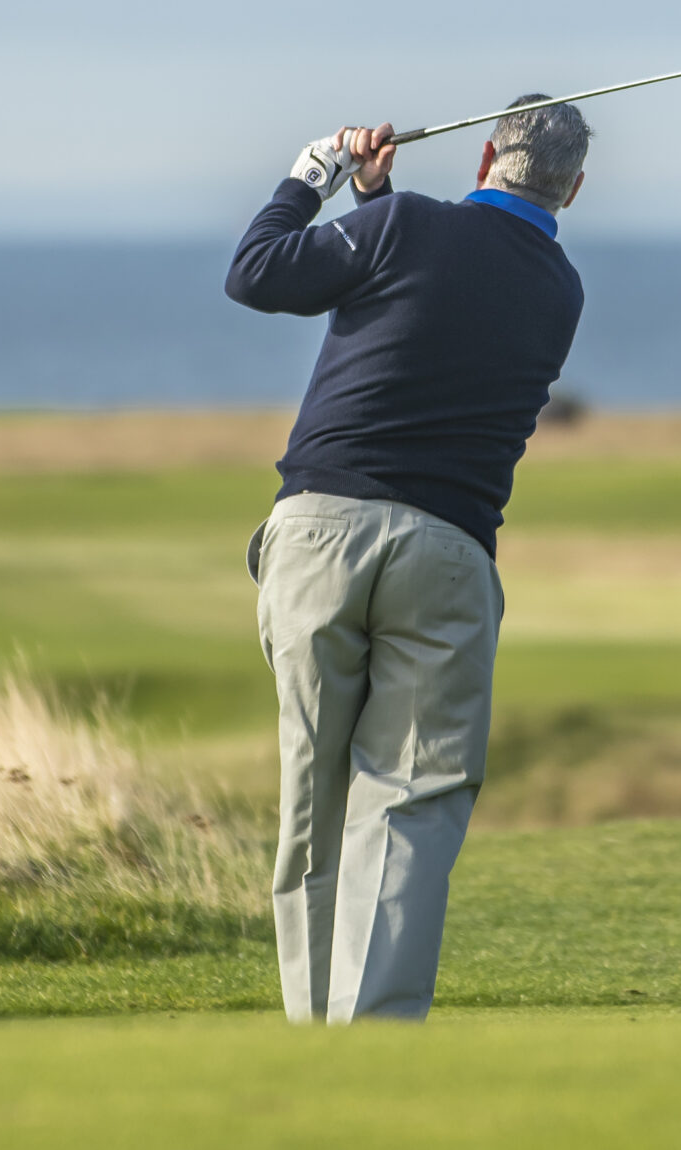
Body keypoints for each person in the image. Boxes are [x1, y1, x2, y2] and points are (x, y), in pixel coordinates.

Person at [224, 95, 590, 1024]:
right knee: (410, 800)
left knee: (316, 786)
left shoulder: (397, 225)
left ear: (480, 158)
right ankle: (376, 1039)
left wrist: (319, 175)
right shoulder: (560, 290)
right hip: (449, 553)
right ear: (573, 190)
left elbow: (257, 274)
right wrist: (375, 205)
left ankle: (315, 1039)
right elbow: (441, 291)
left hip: (318, 533)